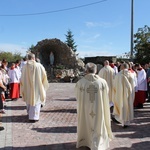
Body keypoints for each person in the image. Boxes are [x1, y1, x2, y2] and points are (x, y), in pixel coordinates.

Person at [75, 62, 113, 150]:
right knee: (98, 123)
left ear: (86, 70)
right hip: (99, 108)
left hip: (85, 109)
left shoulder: (81, 82)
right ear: (96, 70)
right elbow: (106, 93)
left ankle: (86, 141)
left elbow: (77, 95)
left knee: (86, 122)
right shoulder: (102, 82)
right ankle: (98, 142)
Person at [20, 53, 49, 123]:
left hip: (28, 87)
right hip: (37, 87)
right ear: (34, 58)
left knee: (29, 100)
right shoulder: (39, 66)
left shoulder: (24, 67)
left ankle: (30, 115)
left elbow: (22, 78)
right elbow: (44, 76)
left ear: (28, 58)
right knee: (37, 101)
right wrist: (42, 84)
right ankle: (35, 117)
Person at [112, 63, 134, 128]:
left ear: (122, 67)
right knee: (128, 107)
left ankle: (121, 120)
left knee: (121, 106)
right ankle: (127, 122)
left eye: (121, 66)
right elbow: (133, 86)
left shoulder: (118, 75)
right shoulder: (131, 74)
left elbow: (115, 86)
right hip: (129, 95)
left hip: (120, 94)